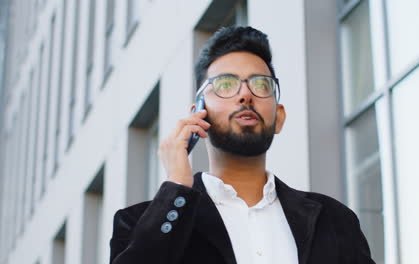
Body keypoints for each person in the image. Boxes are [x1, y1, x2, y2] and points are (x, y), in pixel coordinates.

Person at [109, 26, 375, 264]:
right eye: (226, 84)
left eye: (261, 84)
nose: (246, 95)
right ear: (198, 113)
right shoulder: (142, 223)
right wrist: (176, 187)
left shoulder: (334, 221)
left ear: (279, 117)